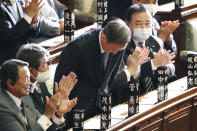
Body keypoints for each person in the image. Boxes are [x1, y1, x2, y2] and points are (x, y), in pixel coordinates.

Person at [54, 18, 150, 128]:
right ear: (104, 38)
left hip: (102, 105)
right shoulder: (78, 47)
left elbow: (110, 77)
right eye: (113, 49)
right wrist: (61, 111)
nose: (116, 53)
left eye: (119, 50)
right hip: (77, 108)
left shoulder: (119, 45)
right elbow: (59, 83)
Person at [0, 59, 77, 131]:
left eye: (29, 78)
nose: (29, 83)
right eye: (25, 79)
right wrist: (48, 114)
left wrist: (58, 114)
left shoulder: (25, 97)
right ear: (10, 83)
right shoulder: (2, 107)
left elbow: (43, 127)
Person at [124, 3, 176, 95]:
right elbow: (128, 77)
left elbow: (171, 68)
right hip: (134, 95)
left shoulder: (155, 41)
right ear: (128, 25)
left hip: (157, 93)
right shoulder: (122, 46)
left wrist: (164, 66)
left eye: (148, 23)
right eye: (139, 24)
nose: (144, 28)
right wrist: (153, 64)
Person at [16, 44, 77, 117]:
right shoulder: (23, 93)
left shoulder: (40, 82)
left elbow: (51, 107)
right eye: (44, 65)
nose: (48, 68)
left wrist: (59, 99)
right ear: (31, 70)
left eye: (48, 64)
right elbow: (41, 121)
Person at [0, 0, 45, 65]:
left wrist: (34, 21)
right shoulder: (1, 5)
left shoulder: (21, 1)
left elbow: (29, 35)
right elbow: (8, 38)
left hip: (25, 58)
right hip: (9, 64)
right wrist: (29, 16)